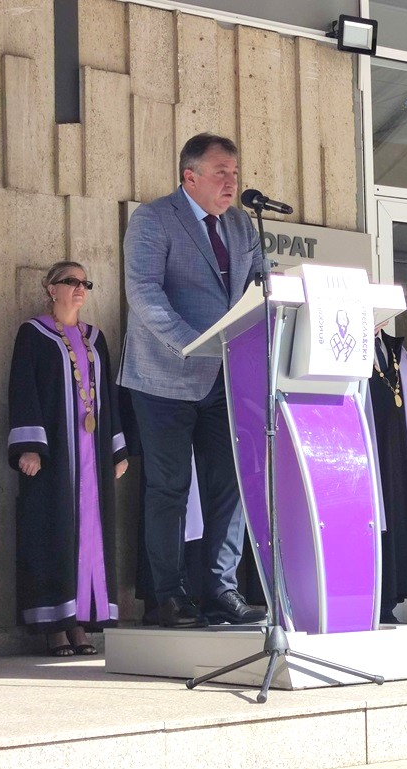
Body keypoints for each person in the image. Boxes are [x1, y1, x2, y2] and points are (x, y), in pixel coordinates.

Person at [120, 133, 265, 628]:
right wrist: (190, 342)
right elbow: (143, 292)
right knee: (170, 488)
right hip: (164, 377)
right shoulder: (153, 219)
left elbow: (260, 287)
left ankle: (222, 590)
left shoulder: (242, 225)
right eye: (221, 173)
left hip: (227, 377)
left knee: (230, 484)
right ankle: (169, 595)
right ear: (190, 176)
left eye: (235, 174)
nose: (231, 183)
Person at [8, 261, 129, 656]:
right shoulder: (33, 334)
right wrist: (30, 445)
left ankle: (80, 622)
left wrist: (117, 449)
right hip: (55, 455)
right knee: (54, 531)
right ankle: (55, 627)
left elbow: (108, 396)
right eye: (71, 281)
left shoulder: (96, 339)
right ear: (51, 288)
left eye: (85, 283)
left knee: (91, 535)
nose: (80, 288)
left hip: (92, 455)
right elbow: (23, 389)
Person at [363, 323, 407, 624]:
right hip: (366, 448)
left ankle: (389, 601)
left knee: (395, 517)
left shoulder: (396, 351)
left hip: (396, 453)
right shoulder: (347, 344)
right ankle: (371, 600)